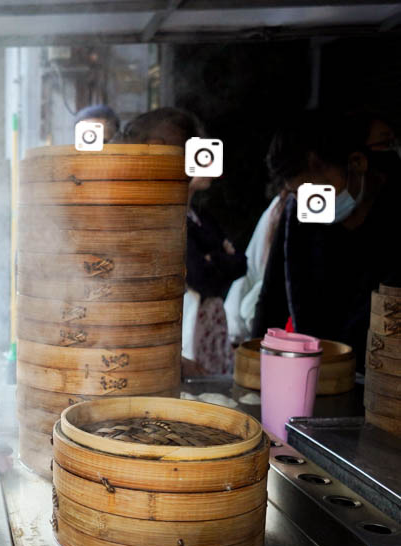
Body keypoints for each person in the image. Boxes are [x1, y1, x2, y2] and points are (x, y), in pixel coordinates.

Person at [226, 113, 399, 345]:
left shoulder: (393, 213)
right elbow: (272, 299)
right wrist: (259, 360)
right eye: (298, 193)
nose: (309, 204)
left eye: (317, 192)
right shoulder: (296, 214)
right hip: (316, 364)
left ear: (357, 163)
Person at [117, 107, 246, 375]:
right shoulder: (130, 218)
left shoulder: (188, 217)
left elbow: (237, 265)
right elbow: (197, 273)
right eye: (189, 152)